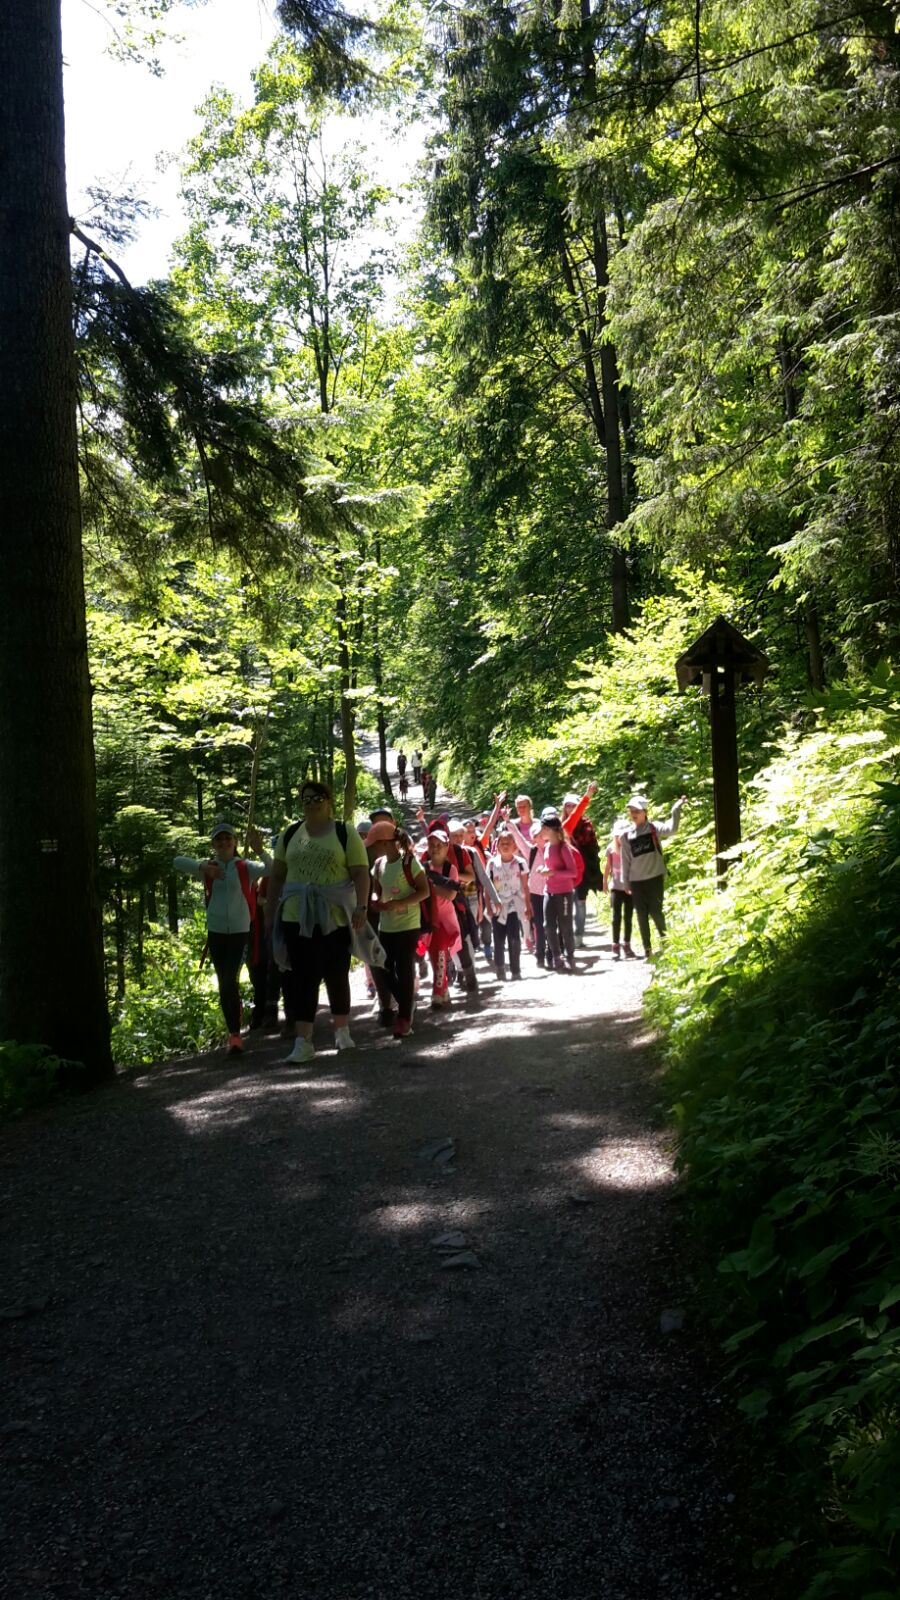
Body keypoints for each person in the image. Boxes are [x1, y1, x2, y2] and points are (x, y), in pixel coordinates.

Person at [266, 779, 370, 1064]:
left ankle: (342, 1032)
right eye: (306, 799)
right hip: (296, 916)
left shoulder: (344, 833)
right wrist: (270, 914)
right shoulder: (291, 834)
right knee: (302, 977)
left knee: (337, 972)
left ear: (328, 801)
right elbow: (277, 876)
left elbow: (360, 872)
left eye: (317, 798)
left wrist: (361, 906)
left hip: (335, 915)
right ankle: (304, 1041)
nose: (312, 804)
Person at [174, 820, 269, 1055]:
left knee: (228, 981)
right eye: (219, 839)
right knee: (224, 983)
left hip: (240, 933)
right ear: (213, 844)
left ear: (235, 842)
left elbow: (272, 869)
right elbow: (177, 861)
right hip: (216, 933)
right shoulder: (209, 868)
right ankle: (234, 1036)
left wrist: (260, 850)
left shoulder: (245, 867)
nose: (224, 842)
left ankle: (235, 1033)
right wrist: (204, 867)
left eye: (228, 838)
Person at [369, 823, 429, 1038]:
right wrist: (376, 901)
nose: (372, 848)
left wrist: (399, 903)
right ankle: (406, 1003)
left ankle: (404, 1020)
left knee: (404, 968)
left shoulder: (409, 862)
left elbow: (424, 891)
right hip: (386, 925)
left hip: (408, 925)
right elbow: (376, 891)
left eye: (375, 844)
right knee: (383, 966)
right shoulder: (378, 865)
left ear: (386, 843)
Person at [619, 793, 687, 959]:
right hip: (636, 882)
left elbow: (672, 829)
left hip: (655, 878)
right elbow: (625, 861)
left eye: (637, 811)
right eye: (631, 811)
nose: (634, 814)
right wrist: (625, 883)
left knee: (656, 912)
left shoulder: (653, 828)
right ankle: (647, 950)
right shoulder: (626, 836)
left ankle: (667, 945)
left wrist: (676, 809)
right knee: (641, 915)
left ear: (645, 812)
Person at [539, 809, 581, 973]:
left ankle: (570, 956)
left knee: (565, 927)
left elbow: (573, 872)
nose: (542, 831)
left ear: (553, 830)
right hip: (549, 891)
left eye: (544, 828)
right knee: (548, 926)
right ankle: (557, 956)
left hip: (564, 893)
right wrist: (544, 870)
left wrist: (552, 873)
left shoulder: (563, 848)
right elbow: (550, 867)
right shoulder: (547, 847)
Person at [487, 827, 531, 979]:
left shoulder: (520, 863)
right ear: (497, 846)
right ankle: (500, 968)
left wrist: (528, 906)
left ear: (514, 845)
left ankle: (516, 970)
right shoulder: (492, 864)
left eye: (508, 843)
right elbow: (488, 886)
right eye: (502, 843)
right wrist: (488, 906)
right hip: (498, 906)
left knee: (514, 939)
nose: (505, 846)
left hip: (514, 905)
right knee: (498, 940)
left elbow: (525, 886)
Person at [561, 790, 602, 946]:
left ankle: (578, 936)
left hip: (583, 869)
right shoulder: (561, 826)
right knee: (566, 903)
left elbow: (593, 847)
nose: (571, 809)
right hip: (565, 869)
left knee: (580, 901)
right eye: (568, 806)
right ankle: (567, 935)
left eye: (573, 805)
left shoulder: (586, 825)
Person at [603, 819, 634, 959]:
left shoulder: (632, 847)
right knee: (616, 917)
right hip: (616, 887)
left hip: (630, 887)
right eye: (619, 836)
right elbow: (608, 866)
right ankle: (615, 944)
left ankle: (627, 944)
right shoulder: (611, 849)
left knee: (628, 916)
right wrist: (604, 881)